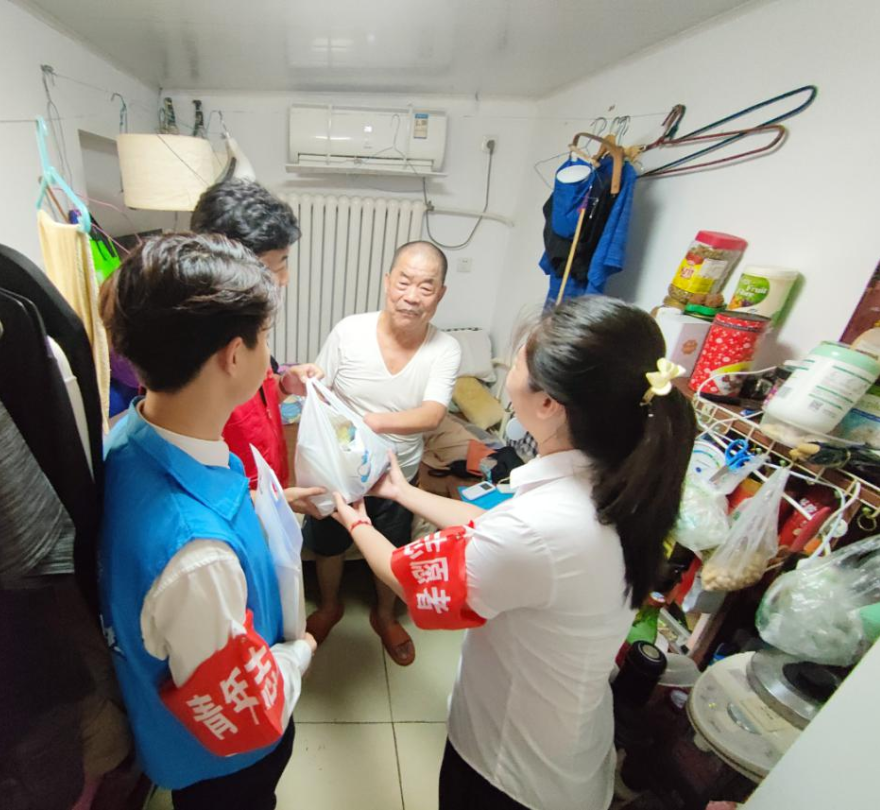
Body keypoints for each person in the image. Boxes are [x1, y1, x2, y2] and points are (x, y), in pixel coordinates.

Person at [331, 296, 696, 810]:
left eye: (519, 361)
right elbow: (496, 529)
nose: (510, 371)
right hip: (568, 745)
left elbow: (411, 579)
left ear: (548, 403)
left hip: (510, 775)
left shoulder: (545, 527)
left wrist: (352, 515)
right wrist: (402, 491)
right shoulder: (612, 482)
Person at [97, 233, 317, 810]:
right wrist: (299, 652)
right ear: (233, 355)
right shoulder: (195, 558)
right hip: (224, 764)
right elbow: (245, 711)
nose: (270, 353)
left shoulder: (129, 433)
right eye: (265, 336)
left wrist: (276, 504)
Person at [303, 240, 461, 667]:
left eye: (426, 287)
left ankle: (385, 615)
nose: (412, 296)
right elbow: (319, 390)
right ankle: (330, 606)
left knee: (393, 549)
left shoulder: (445, 348)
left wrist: (371, 424)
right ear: (387, 282)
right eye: (404, 282)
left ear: (440, 294)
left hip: (396, 477)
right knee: (329, 544)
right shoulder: (349, 331)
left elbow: (432, 414)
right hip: (340, 470)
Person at [191, 180, 323, 495]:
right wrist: (267, 503)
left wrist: (284, 386)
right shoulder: (193, 358)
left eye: (285, 262)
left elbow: (252, 403)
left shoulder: (250, 323)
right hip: (242, 507)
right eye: (271, 269)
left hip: (269, 487)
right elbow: (198, 490)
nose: (284, 279)